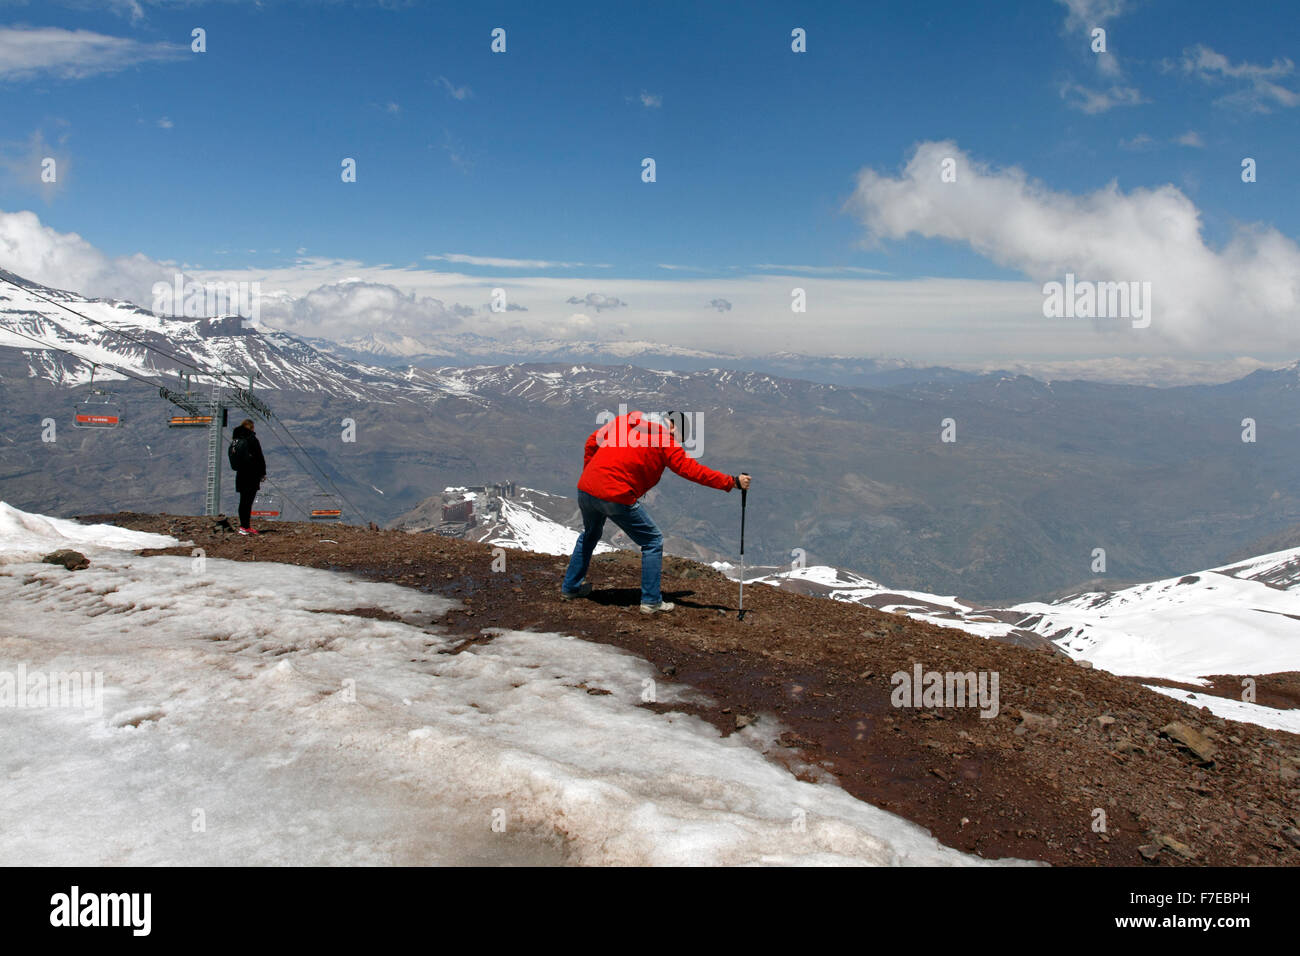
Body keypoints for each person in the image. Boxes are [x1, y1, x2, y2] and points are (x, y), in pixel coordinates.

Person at [562, 409, 751, 613]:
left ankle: (571, 588)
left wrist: (591, 473)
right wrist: (731, 482)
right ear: (672, 426)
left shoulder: (625, 422)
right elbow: (692, 470)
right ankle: (651, 601)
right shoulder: (664, 440)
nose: (678, 441)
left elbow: (592, 441)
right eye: (679, 436)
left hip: (587, 488)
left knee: (590, 535)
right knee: (653, 541)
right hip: (616, 494)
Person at [229, 419, 267, 535]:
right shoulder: (251, 439)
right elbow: (259, 457)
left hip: (240, 474)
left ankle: (243, 525)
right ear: (251, 428)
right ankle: (245, 527)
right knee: (248, 501)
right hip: (251, 474)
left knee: (243, 501)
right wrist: (262, 472)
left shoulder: (235, 440)